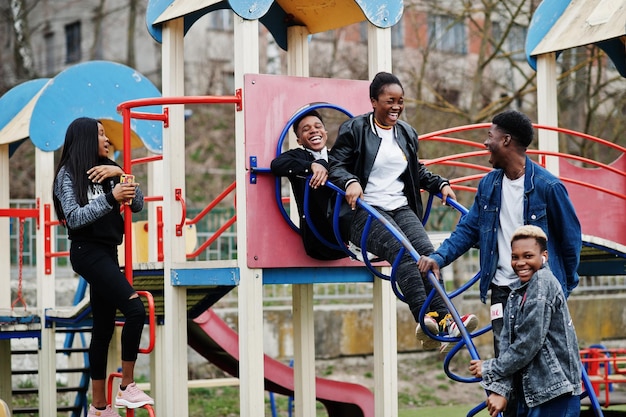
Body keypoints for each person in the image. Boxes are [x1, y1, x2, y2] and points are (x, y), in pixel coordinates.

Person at [329, 72, 477, 353]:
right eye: (389, 101)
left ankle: (446, 321)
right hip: (365, 212)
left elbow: (415, 170)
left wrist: (440, 183)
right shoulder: (355, 129)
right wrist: (350, 182)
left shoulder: (406, 132)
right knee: (403, 253)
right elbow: (335, 165)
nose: (396, 107)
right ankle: (426, 321)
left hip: (399, 207)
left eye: (400, 101)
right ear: (373, 101)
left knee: (427, 254)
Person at [417, 109, 581, 355]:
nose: (485, 142)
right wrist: (438, 258)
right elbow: (468, 230)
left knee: (539, 362)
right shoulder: (488, 185)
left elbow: (571, 242)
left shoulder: (548, 187)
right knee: (505, 360)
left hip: (537, 291)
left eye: (489, 135)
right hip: (502, 290)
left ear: (505, 140)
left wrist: (560, 292)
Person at [52, 117, 154, 417]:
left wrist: (122, 173)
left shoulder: (110, 169)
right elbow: (74, 218)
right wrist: (111, 197)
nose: (106, 138)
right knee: (136, 310)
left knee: (104, 327)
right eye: (99, 133)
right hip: (87, 251)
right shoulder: (68, 175)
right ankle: (127, 387)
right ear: (84, 139)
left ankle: (99, 407)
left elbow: (137, 205)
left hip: (109, 251)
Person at [468, 225, 581, 417]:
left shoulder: (542, 282)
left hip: (554, 392)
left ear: (543, 255)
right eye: (515, 257)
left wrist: (490, 367)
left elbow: (529, 343)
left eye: (528, 256)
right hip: (532, 394)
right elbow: (508, 343)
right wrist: (501, 389)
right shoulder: (516, 293)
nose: (520, 263)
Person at [270, 110, 347, 260]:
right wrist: (311, 166)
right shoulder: (300, 156)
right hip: (318, 240)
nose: (313, 130)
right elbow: (277, 165)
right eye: (306, 129)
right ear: (299, 140)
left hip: (344, 238)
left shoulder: (337, 157)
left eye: (318, 126)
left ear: (325, 132)